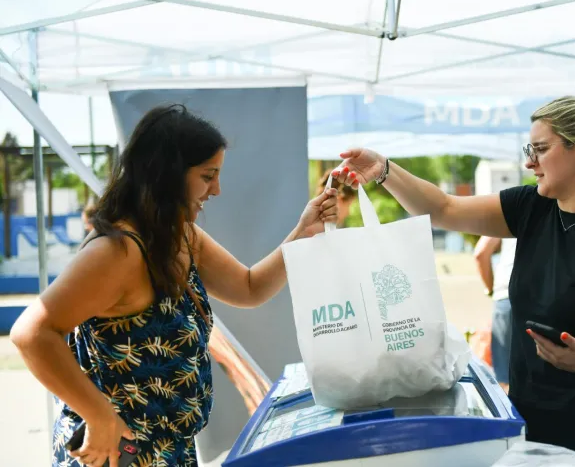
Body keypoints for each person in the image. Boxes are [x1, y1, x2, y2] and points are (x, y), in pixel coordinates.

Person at [331, 97, 575, 466]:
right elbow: (443, 209)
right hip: (533, 422)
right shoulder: (531, 207)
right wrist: (385, 170)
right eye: (528, 149)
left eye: (540, 149)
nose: (529, 161)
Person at [10, 105, 338, 467]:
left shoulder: (180, 236)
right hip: (118, 454)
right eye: (207, 175)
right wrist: (98, 414)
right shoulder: (117, 252)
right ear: (167, 175)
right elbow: (31, 333)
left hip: (169, 451)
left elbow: (249, 288)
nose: (217, 189)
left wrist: (302, 233)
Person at [473, 236, 516, 393]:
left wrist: (491, 289)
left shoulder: (511, 211)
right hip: (544, 295)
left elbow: (481, 252)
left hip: (506, 292)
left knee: (504, 379)